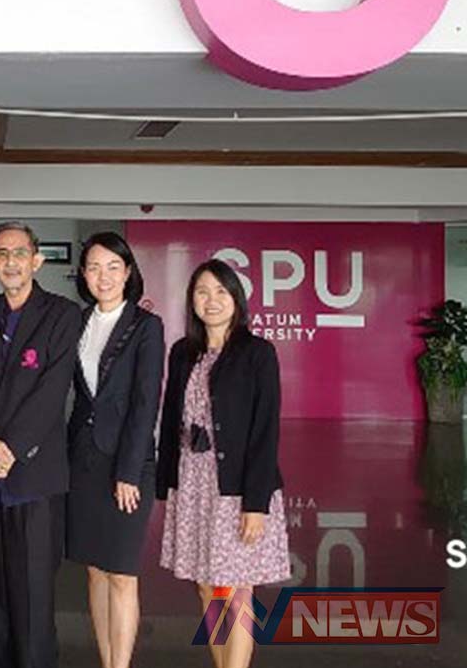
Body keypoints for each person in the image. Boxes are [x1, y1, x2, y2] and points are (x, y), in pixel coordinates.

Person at [0, 221, 82, 668]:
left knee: (33, 595)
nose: (11, 262)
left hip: (34, 475)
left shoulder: (63, 315)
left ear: (37, 261)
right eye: (2, 254)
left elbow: (52, 391)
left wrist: (9, 449)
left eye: (20, 253)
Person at [157, 259, 290, 668]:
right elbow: (171, 418)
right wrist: (166, 485)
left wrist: (256, 504)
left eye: (220, 291)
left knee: (236, 592)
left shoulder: (257, 353)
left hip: (236, 488)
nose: (211, 300)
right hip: (192, 484)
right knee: (207, 587)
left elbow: (265, 431)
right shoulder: (183, 353)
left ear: (236, 298)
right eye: (202, 292)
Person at [66, 232, 164, 668]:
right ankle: (107, 661)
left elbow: (146, 403)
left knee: (122, 573)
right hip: (85, 461)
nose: (102, 276)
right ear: (83, 274)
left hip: (128, 465)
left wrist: (128, 471)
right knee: (94, 569)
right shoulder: (79, 322)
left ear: (127, 273)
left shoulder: (145, 326)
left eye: (112, 267)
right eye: (94, 267)